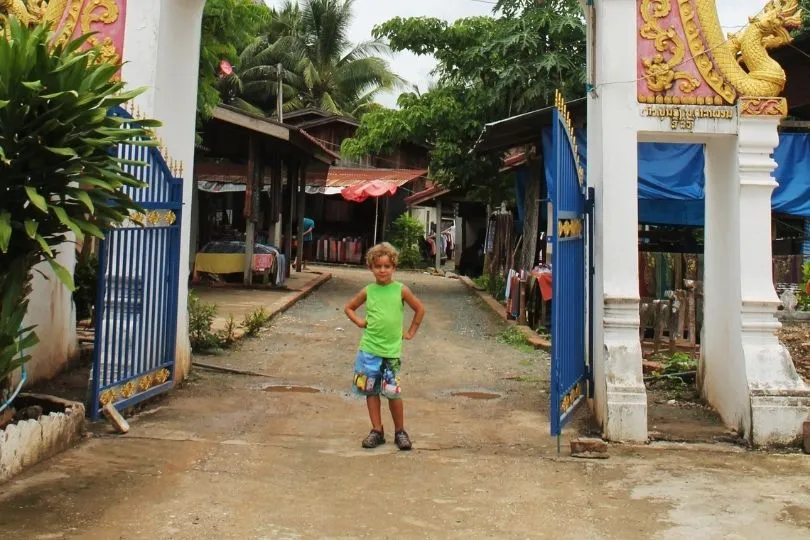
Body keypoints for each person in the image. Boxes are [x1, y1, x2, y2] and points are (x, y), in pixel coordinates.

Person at [344, 242, 426, 450]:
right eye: (378, 266)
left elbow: (419, 309)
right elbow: (349, 308)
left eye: (387, 266)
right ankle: (377, 430)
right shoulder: (368, 290)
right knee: (371, 392)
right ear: (371, 268)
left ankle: (400, 431)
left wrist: (411, 332)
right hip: (369, 351)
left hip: (390, 353)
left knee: (393, 393)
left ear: (394, 268)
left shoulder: (401, 290)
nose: (382, 270)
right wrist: (359, 322)